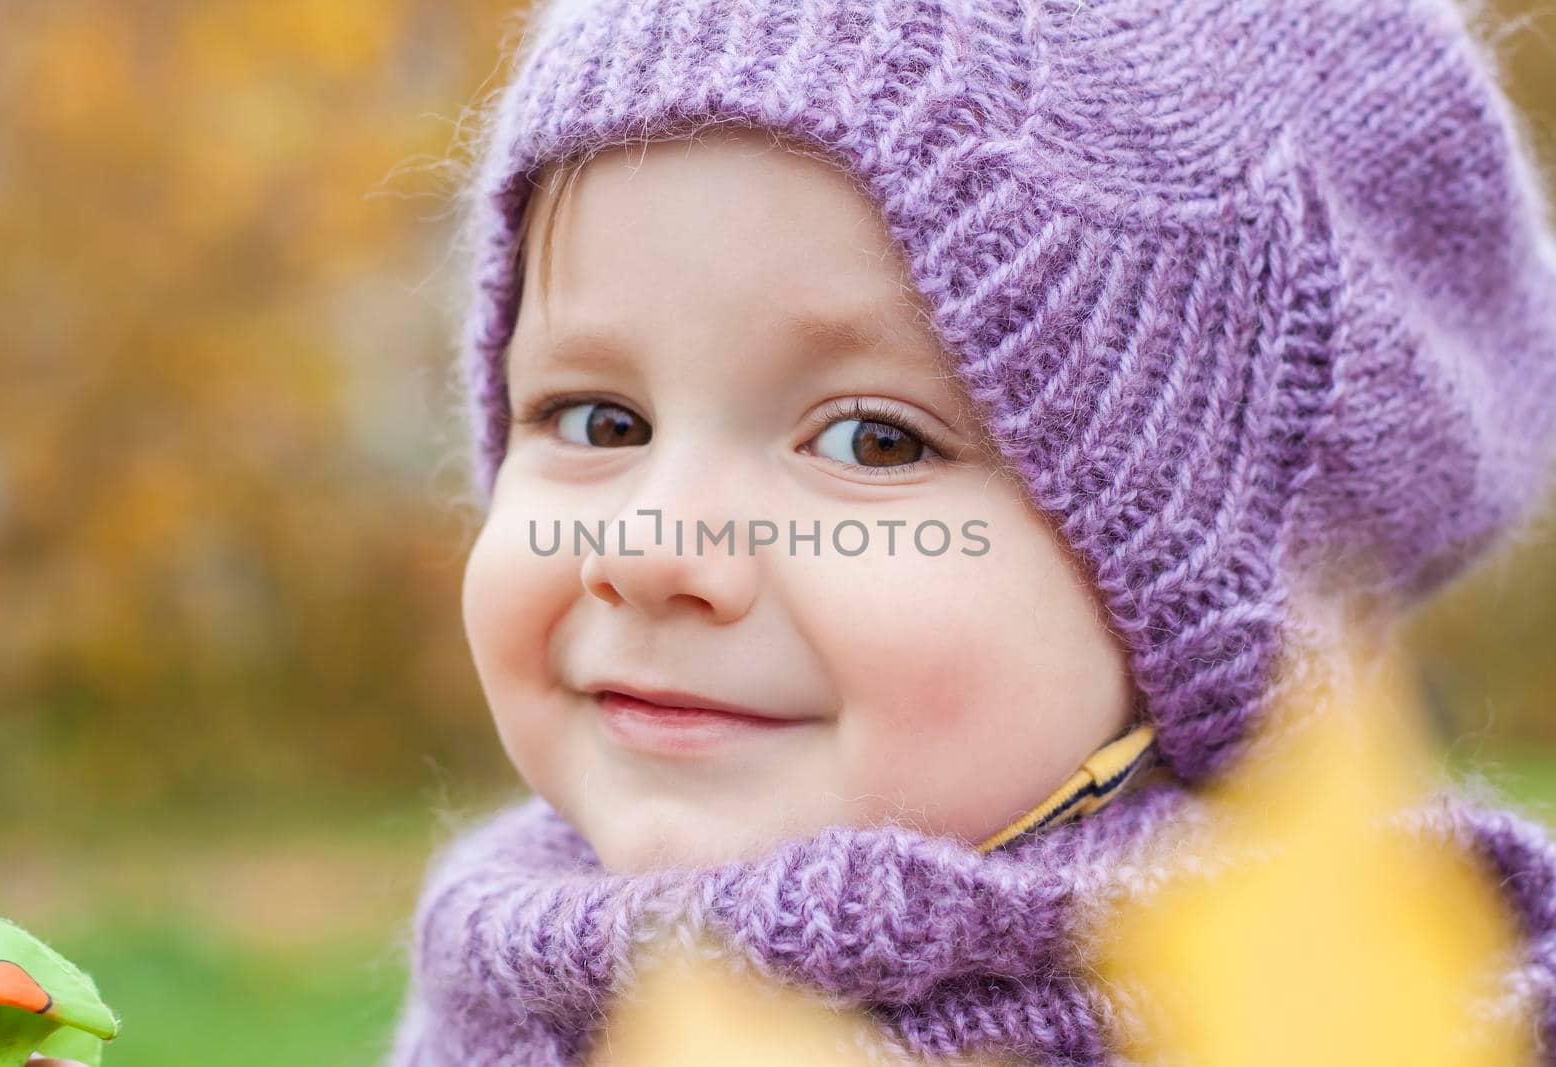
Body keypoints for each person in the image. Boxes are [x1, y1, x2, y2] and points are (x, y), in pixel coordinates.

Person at [387, 0, 1556, 1062]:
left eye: (871, 441)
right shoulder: (494, 996)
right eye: (596, 418)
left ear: (1209, 617)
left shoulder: (1340, 1028)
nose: (645, 552)